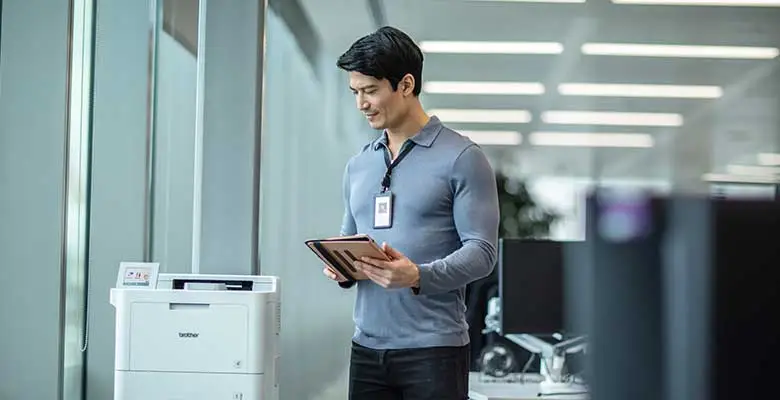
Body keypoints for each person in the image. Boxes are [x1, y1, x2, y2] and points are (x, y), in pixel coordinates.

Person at [323, 25, 500, 400]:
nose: (361, 103)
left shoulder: (462, 158)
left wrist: (417, 275)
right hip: (367, 350)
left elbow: (483, 252)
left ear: (405, 84)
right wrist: (341, 266)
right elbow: (351, 239)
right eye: (355, 92)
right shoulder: (358, 165)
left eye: (370, 91)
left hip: (434, 351)